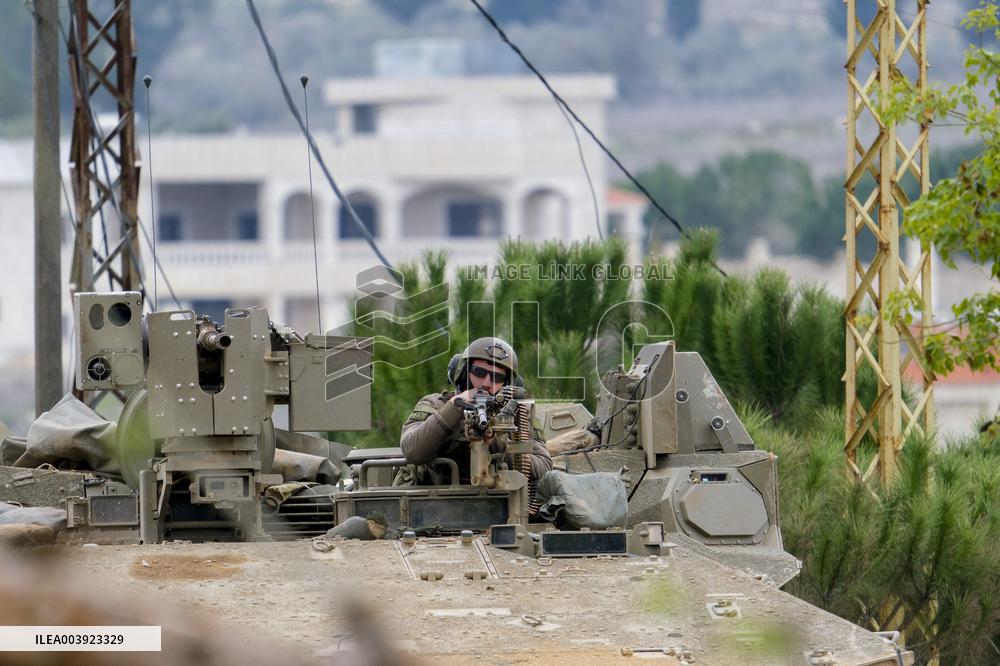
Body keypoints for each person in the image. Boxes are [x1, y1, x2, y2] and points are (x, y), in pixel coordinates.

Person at [399, 337, 552, 485]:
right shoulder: (434, 405)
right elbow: (412, 451)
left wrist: (497, 444)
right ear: (463, 373)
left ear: (507, 384)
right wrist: (453, 410)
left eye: (496, 377)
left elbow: (544, 466)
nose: (486, 383)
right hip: (435, 502)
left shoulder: (518, 415)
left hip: (498, 504)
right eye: (479, 372)